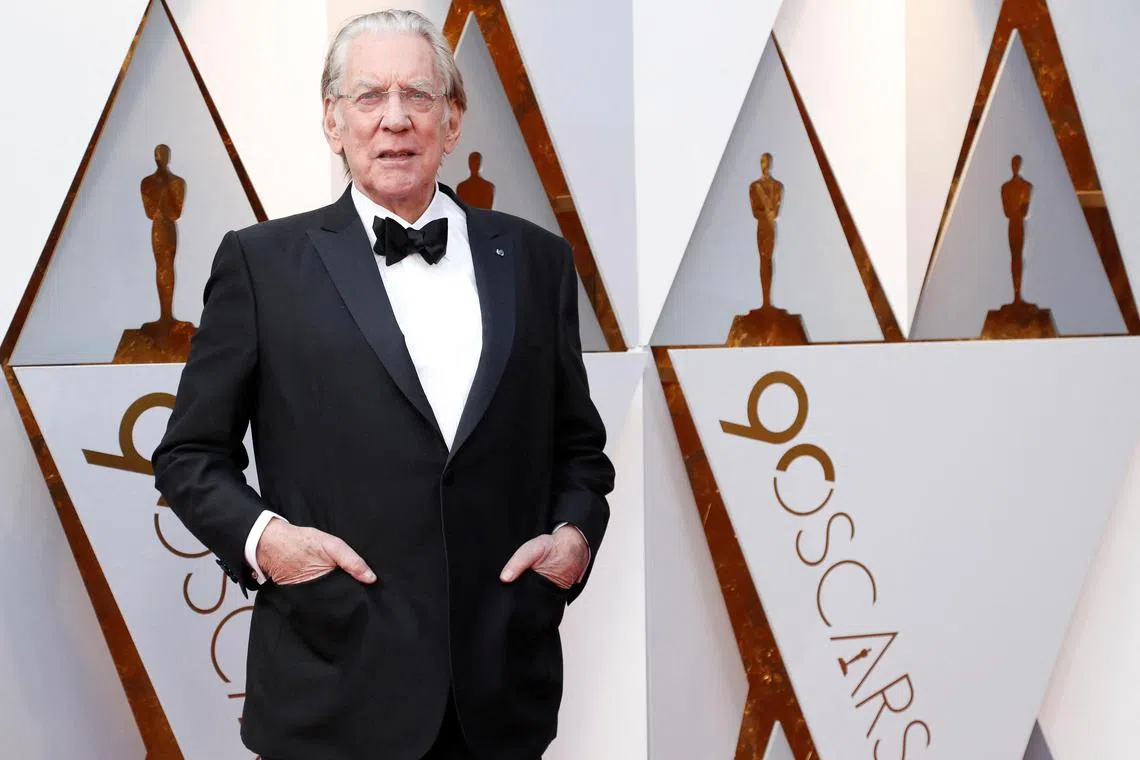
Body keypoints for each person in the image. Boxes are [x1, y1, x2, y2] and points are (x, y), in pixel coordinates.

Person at [151, 10, 614, 760]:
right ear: (333, 122)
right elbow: (189, 455)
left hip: (500, 693)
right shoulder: (261, 264)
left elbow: (579, 451)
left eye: (418, 96)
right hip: (330, 687)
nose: (395, 119)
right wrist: (270, 544)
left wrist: (572, 540)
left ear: (453, 119)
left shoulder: (537, 261)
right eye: (369, 97)